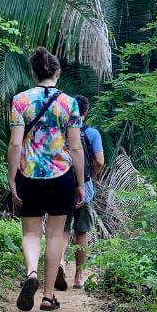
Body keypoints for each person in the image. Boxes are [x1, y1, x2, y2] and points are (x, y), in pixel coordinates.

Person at [7, 47, 85, 312]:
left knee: (30, 232)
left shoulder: (19, 100)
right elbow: (75, 148)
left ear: (34, 72)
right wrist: (80, 182)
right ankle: (48, 296)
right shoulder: (69, 103)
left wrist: (12, 178)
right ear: (57, 72)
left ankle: (31, 273)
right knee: (54, 235)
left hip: (28, 174)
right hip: (61, 176)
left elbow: (15, 144)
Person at [57, 95, 104, 290]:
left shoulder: (60, 132)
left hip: (61, 186)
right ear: (85, 112)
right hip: (84, 188)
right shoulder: (92, 133)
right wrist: (89, 176)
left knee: (62, 231)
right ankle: (78, 276)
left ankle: (59, 263)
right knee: (82, 231)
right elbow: (99, 161)